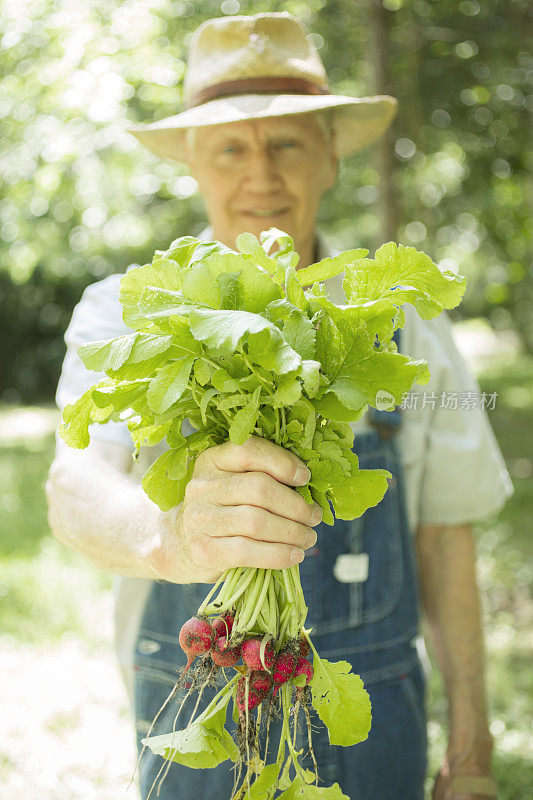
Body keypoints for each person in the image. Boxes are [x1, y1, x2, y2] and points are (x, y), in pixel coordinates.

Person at [46, 12, 512, 800]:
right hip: (200, 692)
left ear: (331, 156)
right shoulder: (126, 312)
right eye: (230, 146)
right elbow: (74, 486)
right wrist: (171, 542)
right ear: (193, 162)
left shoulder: (400, 320)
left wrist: (469, 752)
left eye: (288, 141)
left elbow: (443, 536)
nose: (259, 172)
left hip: (375, 732)